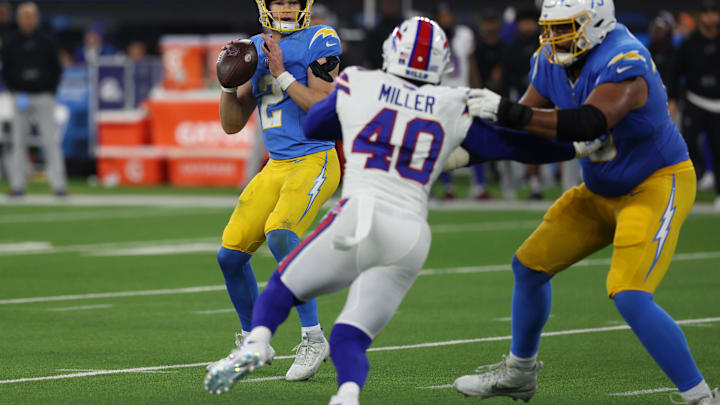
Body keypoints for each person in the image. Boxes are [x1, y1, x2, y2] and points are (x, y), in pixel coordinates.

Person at [204, 16, 604, 405]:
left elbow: (317, 127)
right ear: (443, 64)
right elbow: (511, 146)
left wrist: (292, 80)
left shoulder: (362, 83)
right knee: (352, 333)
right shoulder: (450, 102)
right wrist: (577, 146)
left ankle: (258, 342)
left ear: (390, 52)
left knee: (284, 286)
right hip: (410, 237)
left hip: (359, 219)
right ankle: (346, 395)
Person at [454, 1, 719, 404]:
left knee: (629, 293)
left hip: (655, 185)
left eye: (565, 29)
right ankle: (520, 373)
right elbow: (521, 125)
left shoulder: (624, 58)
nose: (553, 39)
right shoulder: (550, 58)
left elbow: (590, 122)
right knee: (528, 266)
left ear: (595, 24)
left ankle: (701, 397)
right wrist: (463, 151)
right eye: (550, 29)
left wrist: (508, 113)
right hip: (600, 190)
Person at [207, 0, 343, 382]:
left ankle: (313, 337)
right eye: (279, 1)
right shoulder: (256, 45)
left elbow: (324, 106)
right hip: (277, 165)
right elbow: (232, 124)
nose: (285, 8)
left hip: (315, 158)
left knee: (281, 233)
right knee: (229, 255)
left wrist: (282, 74)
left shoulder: (322, 38)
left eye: (292, 2)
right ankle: (255, 342)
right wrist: (227, 85)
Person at [1, 2, 65, 197]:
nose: (27, 20)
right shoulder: (11, 41)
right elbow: (6, 68)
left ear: (36, 18)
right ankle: (18, 186)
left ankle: (59, 186)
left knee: (50, 141)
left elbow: (56, 67)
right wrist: (13, 89)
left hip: (43, 95)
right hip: (20, 95)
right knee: (18, 142)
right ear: (19, 19)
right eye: (23, 16)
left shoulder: (46, 40)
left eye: (30, 16)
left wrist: (51, 90)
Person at [435, 3, 489, 200]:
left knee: (476, 141)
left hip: (464, 95)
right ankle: (448, 188)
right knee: (442, 145)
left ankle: (480, 187)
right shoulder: (433, 37)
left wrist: (477, 91)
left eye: (449, 15)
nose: (447, 19)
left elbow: (471, 63)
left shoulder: (464, 34)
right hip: (440, 98)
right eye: (443, 16)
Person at [669, 0, 720, 210]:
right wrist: (672, 99)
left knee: (718, 148)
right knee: (686, 145)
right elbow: (674, 73)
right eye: (706, 13)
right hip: (694, 101)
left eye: (714, 13)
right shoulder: (688, 44)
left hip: (718, 104)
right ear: (701, 16)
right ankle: (688, 188)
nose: (710, 17)